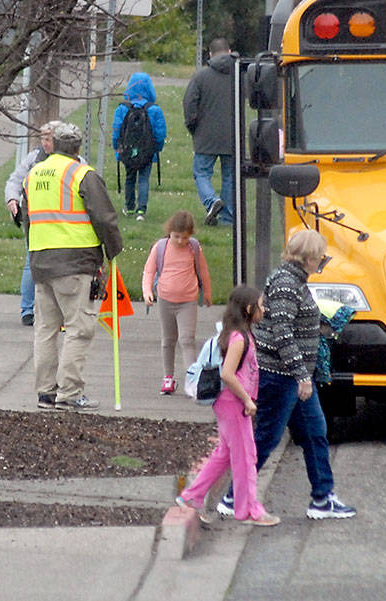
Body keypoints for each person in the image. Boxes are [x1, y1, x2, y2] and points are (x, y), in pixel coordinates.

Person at [217, 229, 356, 521]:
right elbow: (282, 332)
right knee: (267, 437)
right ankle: (233, 497)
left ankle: (322, 497)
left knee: (315, 433)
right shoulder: (285, 283)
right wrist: (302, 375)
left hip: (294, 376)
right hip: (282, 377)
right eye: (321, 257)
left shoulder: (293, 280)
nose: (322, 262)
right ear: (307, 257)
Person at [22, 122, 122, 412]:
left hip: (41, 262)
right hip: (76, 263)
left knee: (46, 329)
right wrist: (113, 250)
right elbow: (104, 218)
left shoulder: (33, 175)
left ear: (52, 144)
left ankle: (45, 393)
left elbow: (29, 220)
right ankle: (70, 393)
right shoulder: (82, 174)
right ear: (78, 148)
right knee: (80, 329)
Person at [175, 284, 278, 526]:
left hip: (229, 403)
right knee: (246, 456)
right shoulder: (239, 338)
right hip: (233, 403)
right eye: (261, 306)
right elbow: (228, 374)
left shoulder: (238, 334)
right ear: (249, 308)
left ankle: (192, 496)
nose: (264, 310)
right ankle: (249, 509)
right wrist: (246, 400)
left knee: (225, 454)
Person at [142, 210, 212, 395]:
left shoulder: (194, 248)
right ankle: (168, 377)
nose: (180, 241)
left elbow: (203, 271)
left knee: (187, 340)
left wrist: (207, 292)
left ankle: (192, 378)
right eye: (176, 237)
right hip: (165, 299)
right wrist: (147, 291)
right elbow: (149, 271)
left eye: (185, 237)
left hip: (188, 301)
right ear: (169, 232)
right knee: (168, 340)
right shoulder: (160, 247)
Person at [5, 120, 59, 326]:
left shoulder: (74, 161)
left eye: (49, 139)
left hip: (60, 221)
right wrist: (12, 199)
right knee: (32, 261)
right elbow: (14, 181)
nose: (45, 143)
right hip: (34, 219)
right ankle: (27, 309)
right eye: (43, 139)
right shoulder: (34, 158)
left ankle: (53, 310)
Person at [183, 37, 237, 226]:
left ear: (211, 54)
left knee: (202, 173)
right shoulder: (239, 74)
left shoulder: (201, 76)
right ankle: (228, 217)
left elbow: (189, 104)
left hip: (205, 136)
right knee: (230, 175)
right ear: (229, 52)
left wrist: (193, 128)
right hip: (233, 136)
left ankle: (211, 201)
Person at [111, 72, 167, 221]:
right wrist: (157, 148)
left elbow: (116, 130)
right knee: (144, 179)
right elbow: (160, 133)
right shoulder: (154, 110)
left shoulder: (122, 109)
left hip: (127, 151)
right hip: (147, 152)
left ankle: (129, 208)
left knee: (129, 178)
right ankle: (141, 210)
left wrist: (117, 147)